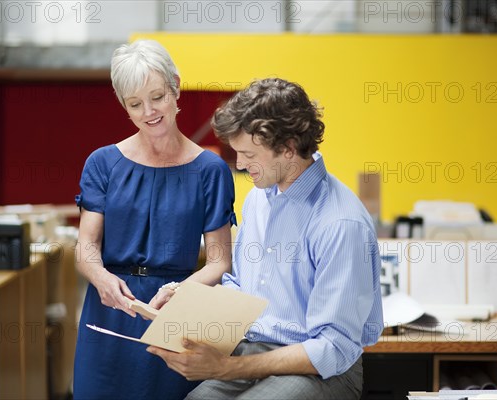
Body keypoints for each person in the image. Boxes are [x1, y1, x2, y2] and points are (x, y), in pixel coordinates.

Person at [146, 78, 384, 399]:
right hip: (254, 348)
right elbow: (241, 287)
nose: (240, 165)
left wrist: (225, 368)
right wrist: (187, 302)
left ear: (287, 149)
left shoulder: (341, 222)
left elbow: (333, 348)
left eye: (247, 154)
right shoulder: (259, 199)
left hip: (323, 369)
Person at [73, 39, 235, 400]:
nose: (149, 111)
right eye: (135, 104)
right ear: (124, 106)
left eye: (158, 96)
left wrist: (180, 291)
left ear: (176, 86)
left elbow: (220, 260)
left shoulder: (209, 170)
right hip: (109, 310)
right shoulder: (102, 163)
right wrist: (101, 278)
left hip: (175, 313)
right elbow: (86, 247)